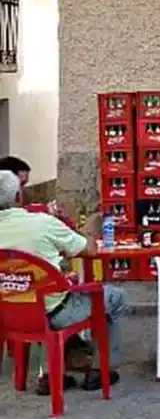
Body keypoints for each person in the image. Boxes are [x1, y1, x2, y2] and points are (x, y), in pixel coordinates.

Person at [0, 169, 125, 395]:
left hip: (7, 313)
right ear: (19, 196)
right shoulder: (42, 223)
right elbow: (88, 250)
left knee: (42, 291)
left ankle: (52, 373)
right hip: (51, 312)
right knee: (113, 297)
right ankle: (99, 370)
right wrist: (90, 229)